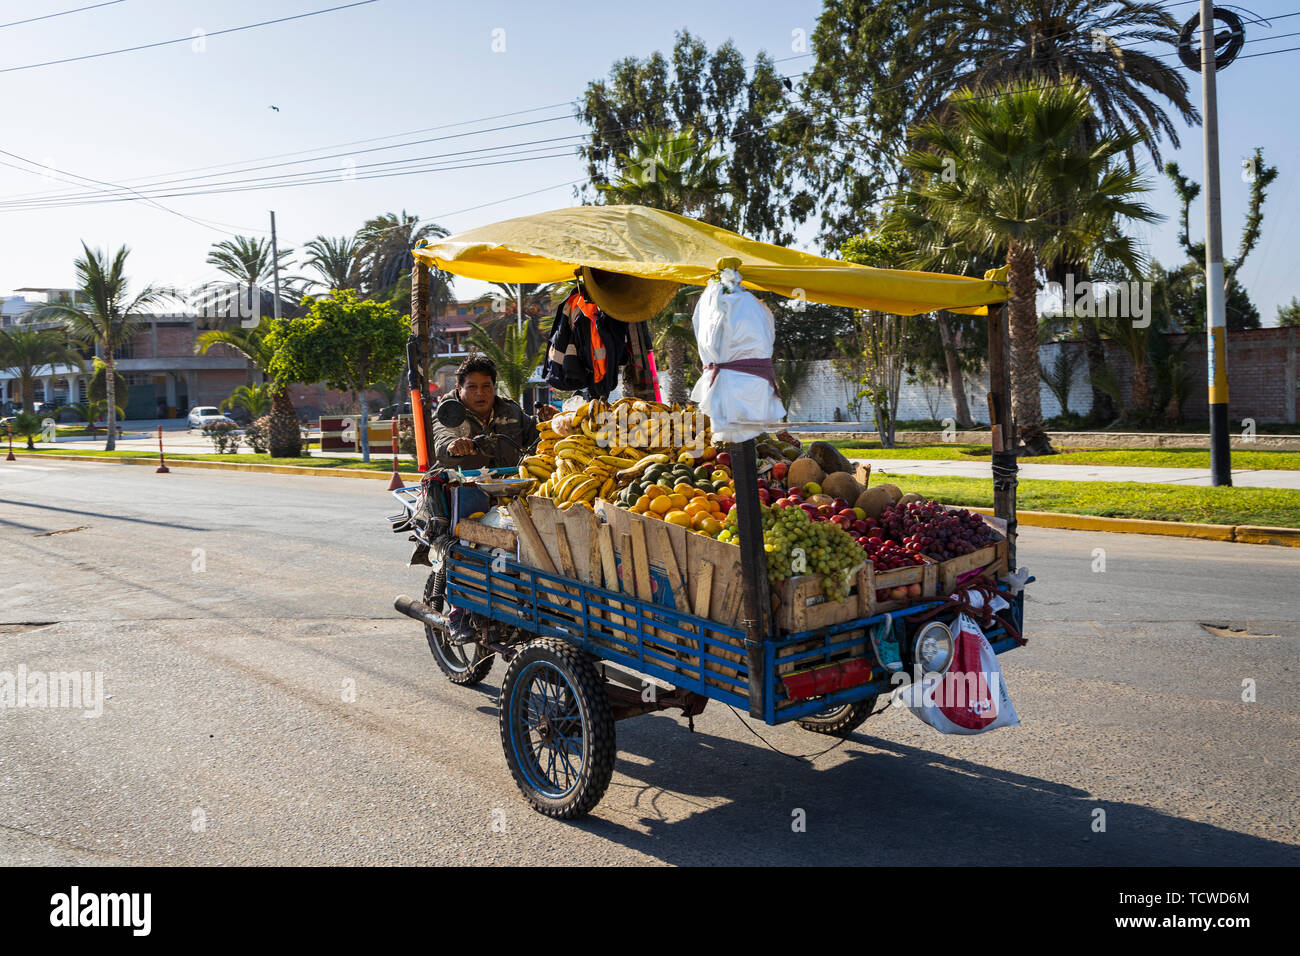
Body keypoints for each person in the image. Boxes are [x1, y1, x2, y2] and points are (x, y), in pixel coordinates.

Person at [430, 353, 549, 469]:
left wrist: (548, 421)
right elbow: (442, 438)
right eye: (472, 387)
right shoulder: (447, 413)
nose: (480, 393)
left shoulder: (511, 410)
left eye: (486, 386)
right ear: (460, 389)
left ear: (494, 387)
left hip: (509, 486)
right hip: (461, 487)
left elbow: (534, 432)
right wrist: (453, 446)